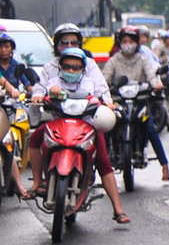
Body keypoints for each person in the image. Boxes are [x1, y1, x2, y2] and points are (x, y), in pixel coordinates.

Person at [27, 46, 130, 224]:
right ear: (60, 67)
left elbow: (101, 96)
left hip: (87, 127)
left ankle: (118, 209)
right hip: (58, 125)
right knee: (35, 138)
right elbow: (41, 90)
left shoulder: (89, 83)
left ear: (83, 68)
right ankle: (38, 182)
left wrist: (107, 104)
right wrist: (40, 96)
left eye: (76, 67)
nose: (71, 71)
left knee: (104, 161)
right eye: (66, 66)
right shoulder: (52, 82)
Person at [102, 27, 169, 182]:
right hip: (118, 102)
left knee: (151, 129)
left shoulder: (142, 59)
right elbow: (105, 78)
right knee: (105, 126)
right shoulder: (114, 60)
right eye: (124, 41)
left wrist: (156, 84)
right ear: (120, 43)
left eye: (131, 41)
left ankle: (164, 165)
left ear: (137, 43)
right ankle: (101, 163)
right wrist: (103, 88)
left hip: (139, 101)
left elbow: (151, 76)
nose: (128, 44)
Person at [0, 31, 30, 197]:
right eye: (1, 46)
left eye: (6, 46)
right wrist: (8, 88)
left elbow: (28, 83)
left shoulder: (18, 65)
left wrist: (35, 91)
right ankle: (19, 185)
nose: (3, 50)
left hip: (14, 105)